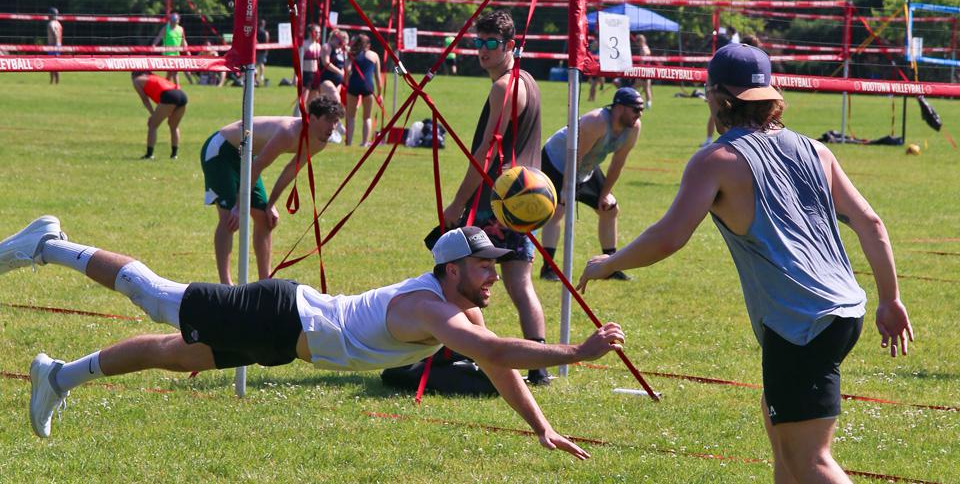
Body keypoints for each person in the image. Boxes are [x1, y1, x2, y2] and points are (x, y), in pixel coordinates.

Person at [577, 44, 914, 483]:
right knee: (781, 433)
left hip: (802, 322)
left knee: (809, 459)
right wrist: (890, 299)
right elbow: (871, 223)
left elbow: (668, 237)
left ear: (717, 98)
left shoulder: (715, 161)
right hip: (844, 310)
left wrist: (608, 262)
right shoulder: (816, 150)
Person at [7, 218, 624, 457]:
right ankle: (49, 245)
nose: (493, 275)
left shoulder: (459, 311)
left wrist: (540, 426)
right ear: (452, 269)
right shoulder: (430, 309)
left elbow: (497, 365)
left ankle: (57, 375)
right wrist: (576, 351)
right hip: (280, 315)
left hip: (286, 340)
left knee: (173, 355)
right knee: (157, 297)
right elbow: (492, 353)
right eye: (484, 265)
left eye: (495, 265)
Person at [440, 11, 550, 385]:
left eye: (491, 43)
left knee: (460, 277)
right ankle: (538, 366)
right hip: (526, 202)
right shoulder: (529, 81)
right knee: (520, 284)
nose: (483, 50)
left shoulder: (504, 87)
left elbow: (487, 151)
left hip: (499, 202)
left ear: (510, 45)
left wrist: (458, 203)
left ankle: (460, 351)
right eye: (479, 42)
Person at [200, 96, 344, 285]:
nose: (333, 127)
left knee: (265, 220)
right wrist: (239, 205)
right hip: (221, 151)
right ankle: (226, 286)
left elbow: (290, 171)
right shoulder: (288, 132)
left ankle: (264, 283)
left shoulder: (319, 141)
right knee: (230, 219)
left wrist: (271, 205)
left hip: (246, 157)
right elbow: (258, 166)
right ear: (313, 118)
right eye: (329, 120)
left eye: (336, 121)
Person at [538, 87, 643, 282]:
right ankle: (548, 268)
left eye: (641, 109)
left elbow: (618, 163)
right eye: (635, 109)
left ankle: (611, 266)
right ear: (619, 108)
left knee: (610, 209)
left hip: (586, 168)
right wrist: (566, 189)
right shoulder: (596, 121)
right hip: (558, 162)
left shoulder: (633, 128)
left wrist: (605, 193)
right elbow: (575, 156)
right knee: (558, 210)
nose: (639, 114)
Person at [131, 72, 188, 160]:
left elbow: (145, 99)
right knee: (174, 126)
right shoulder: (154, 76)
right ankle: (174, 155)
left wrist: (152, 114)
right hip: (182, 95)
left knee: (152, 124)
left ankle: (149, 155)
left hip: (169, 96)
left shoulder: (137, 80)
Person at [344, 33, 382, 147]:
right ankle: (365, 142)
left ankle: (349, 142)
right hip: (368, 86)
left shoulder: (352, 54)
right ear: (368, 44)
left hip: (354, 84)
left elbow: (347, 69)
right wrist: (379, 94)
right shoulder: (374, 55)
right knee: (367, 117)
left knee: (351, 116)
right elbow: (378, 77)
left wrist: (346, 82)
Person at [152, 13, 190, 86]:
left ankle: (164, 86)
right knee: (174, 71)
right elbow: (159, 37)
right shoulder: (166, 28)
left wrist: (187, 50)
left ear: (178, 20)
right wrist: (154, 45)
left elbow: (183, 40)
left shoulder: (180, 29)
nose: (174, 21)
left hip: (176, 53)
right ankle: (177, 87)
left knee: (170, 73)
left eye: (176, 20)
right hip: (167, 53)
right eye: (173, 19)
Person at [294, 24, 323, 117]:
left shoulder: (318, 46)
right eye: (316, 32)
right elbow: (298, 62)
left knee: (312, 101)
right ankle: (296, 118)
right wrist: (296, 76)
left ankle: (308, 119)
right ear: (310, 32)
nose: (318, 34)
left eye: (319, 32)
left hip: (316, 76)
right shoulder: (304, 44)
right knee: (302, 100)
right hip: (306, 74)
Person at [633, 34, 653, 108]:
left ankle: (634, 101)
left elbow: (642, 61)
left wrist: (638, 69)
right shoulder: (647, 47)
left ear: (640, 41)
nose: (636, 44)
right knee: (646, 87)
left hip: (643, 70)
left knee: (634, 87)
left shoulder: (643, 49)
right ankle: (648, 104)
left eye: (637, 41)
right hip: (648, 70)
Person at [46, 7, 62, 85]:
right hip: (58, 45)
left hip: (53, 46)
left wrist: (55, 45)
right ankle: (53, 82)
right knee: (55, 64)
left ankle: (55, 82)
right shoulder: (59, 23)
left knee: (53, 64)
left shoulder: (51, 23)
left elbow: (55, 33)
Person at [255, 19, 270, 87]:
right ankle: (261, 76)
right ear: (263, 24)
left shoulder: (256, 31)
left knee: (257, 64)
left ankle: (258, 78)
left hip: (257, 50)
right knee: (261, 63)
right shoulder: (266, 32)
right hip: (263, 50)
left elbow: (255, 40)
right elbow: (267, 41)